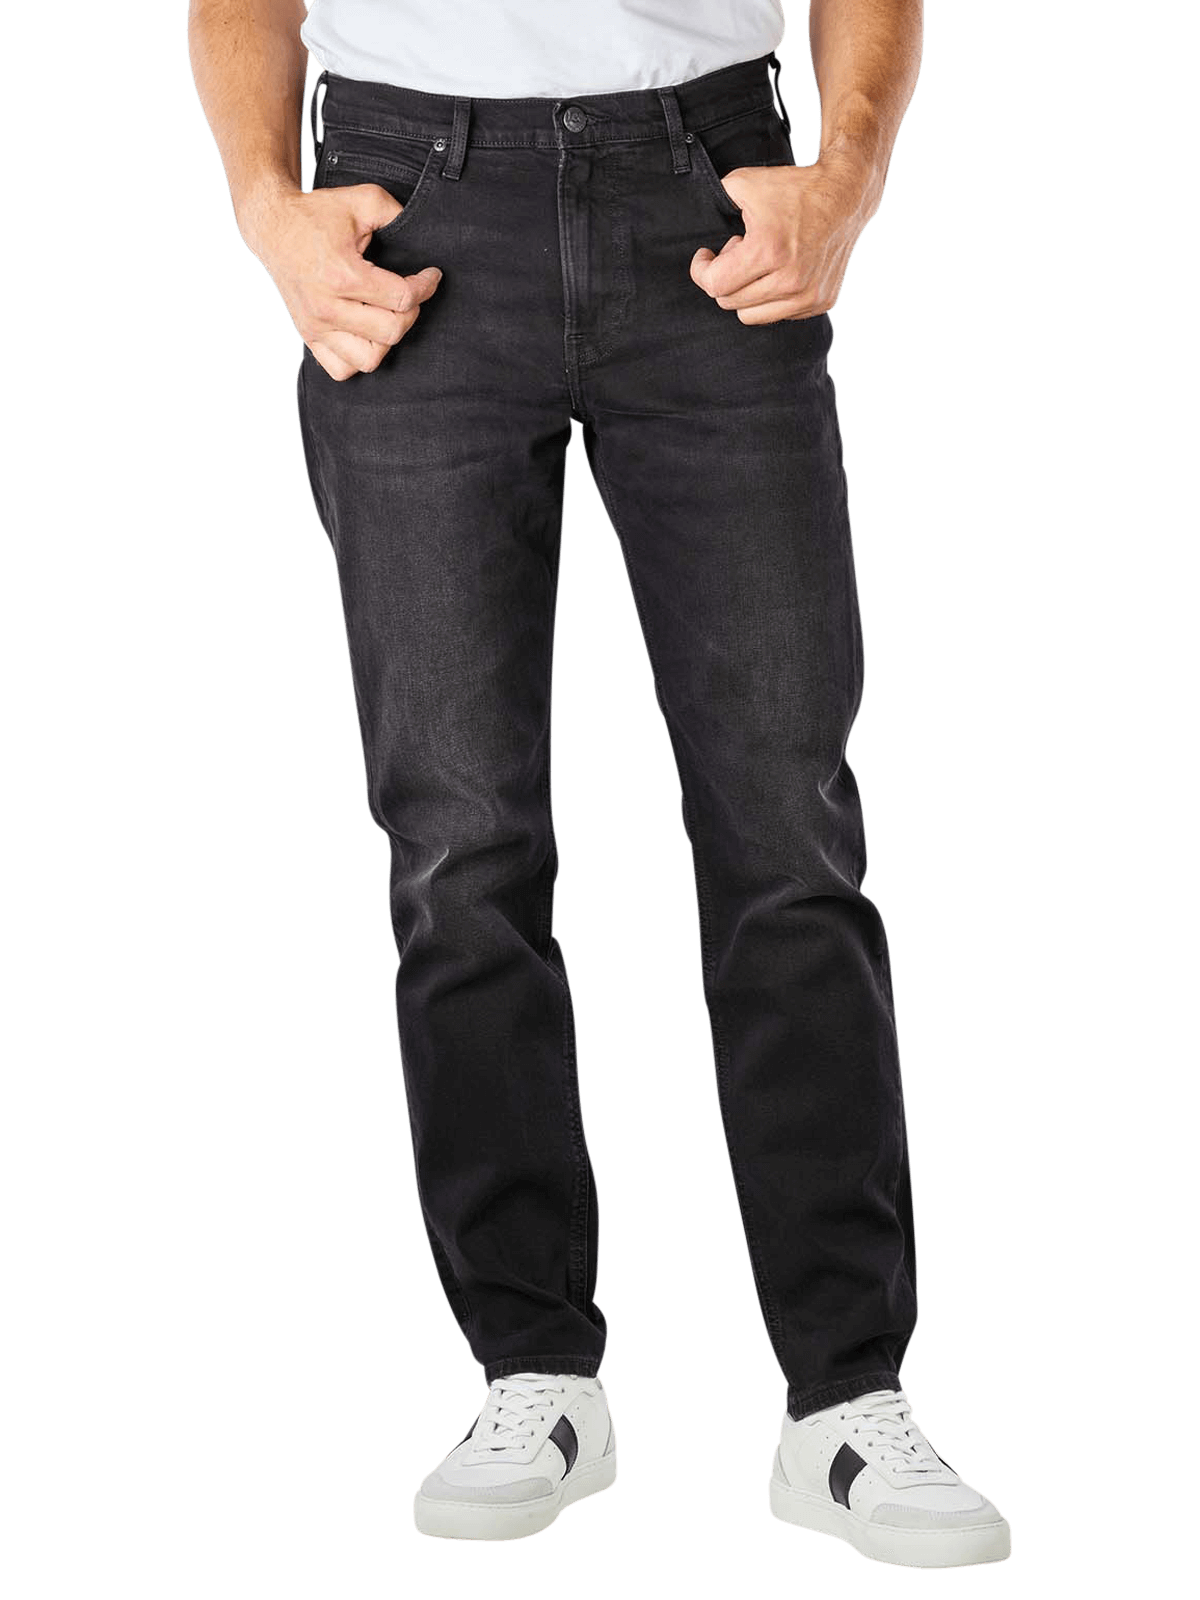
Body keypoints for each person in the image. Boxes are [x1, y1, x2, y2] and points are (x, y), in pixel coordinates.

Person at [188, 0, 1010, 1565]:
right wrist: (266, 208)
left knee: (789, 829)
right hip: (405, 203)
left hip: (707, 187)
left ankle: (845, 1401)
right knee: (458, 841)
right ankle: (535, 1375)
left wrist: (849, 177)